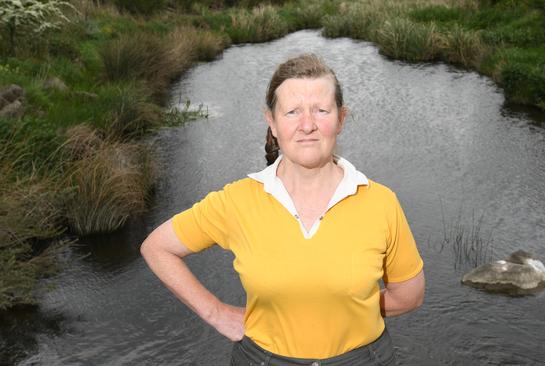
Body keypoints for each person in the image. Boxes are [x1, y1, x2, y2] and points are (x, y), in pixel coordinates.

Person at [141, 54, 425, 366]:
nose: (308, 125)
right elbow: (157, 248)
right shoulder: (237, 201)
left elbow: (409, 295)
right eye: (292, 112)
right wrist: (217, 313)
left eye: (321, 110)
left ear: (341, 119)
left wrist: (346, 307)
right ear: (272, 123)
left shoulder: (380, 202)